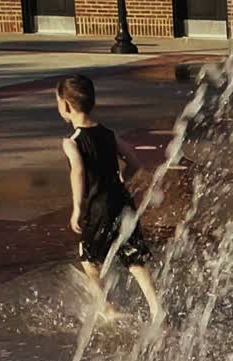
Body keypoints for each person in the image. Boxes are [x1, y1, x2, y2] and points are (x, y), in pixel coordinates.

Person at [55, 74, 163, 322]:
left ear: (66, 107)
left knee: (88, 257)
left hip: (98, 207)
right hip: (122, 202)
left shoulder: (72, 142)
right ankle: (156, 307)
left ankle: (108, 309)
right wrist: (126, 177)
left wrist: (77, 209)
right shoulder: (109, 134)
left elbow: (78, 173)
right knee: (133, 255)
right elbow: (134, 160)